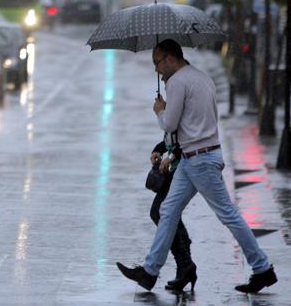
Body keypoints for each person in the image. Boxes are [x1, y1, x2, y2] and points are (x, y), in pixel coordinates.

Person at [117, 39, 277, 293]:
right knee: (168, 211)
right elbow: (191, 120)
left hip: (200, 160)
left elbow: (169, 124)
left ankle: (263, 269)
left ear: (170, 58)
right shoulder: (200, 77)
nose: (156, 70)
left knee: (229, 215)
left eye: (157, 63)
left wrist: (160, 110)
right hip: (195, 158)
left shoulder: (178, 82)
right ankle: (149, 271)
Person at [148, 132, 196, 291]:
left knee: (159, 211)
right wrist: (159, 149)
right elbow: (173, 138)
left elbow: (185, 137)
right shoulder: (169, 109)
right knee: (169, 213)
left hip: (184, 166)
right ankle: (185, 267)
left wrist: (171, 157)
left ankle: (185, 264)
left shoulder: (175, 107)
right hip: (179, 166)